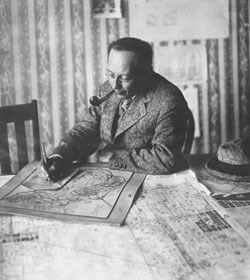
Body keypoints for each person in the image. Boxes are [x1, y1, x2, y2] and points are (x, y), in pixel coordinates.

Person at [43, 37, 189, 180]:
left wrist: (114, 158)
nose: (114, 85)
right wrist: (60, 156)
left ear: (146, 72)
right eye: (111, 74)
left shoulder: (169, 100)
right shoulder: (107, 89)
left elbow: (165, 159)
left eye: (124, 78)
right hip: (114, 177)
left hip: (151, 180)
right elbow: (87, 129)